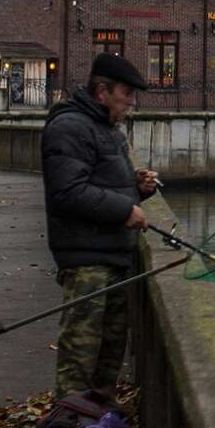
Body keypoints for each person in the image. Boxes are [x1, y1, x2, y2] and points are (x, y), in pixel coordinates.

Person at [42, 53, 159, 399]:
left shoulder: (106, 128)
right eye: (126, 93)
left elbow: (96, 182)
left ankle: (97, 426)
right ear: (101, 92)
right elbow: (68, 192)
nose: (130, 102)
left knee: (109, 352)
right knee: (80, 355)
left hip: (111, 255)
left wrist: (137, 189)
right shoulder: (69, 127)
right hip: (86, 261)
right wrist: (126, 209)